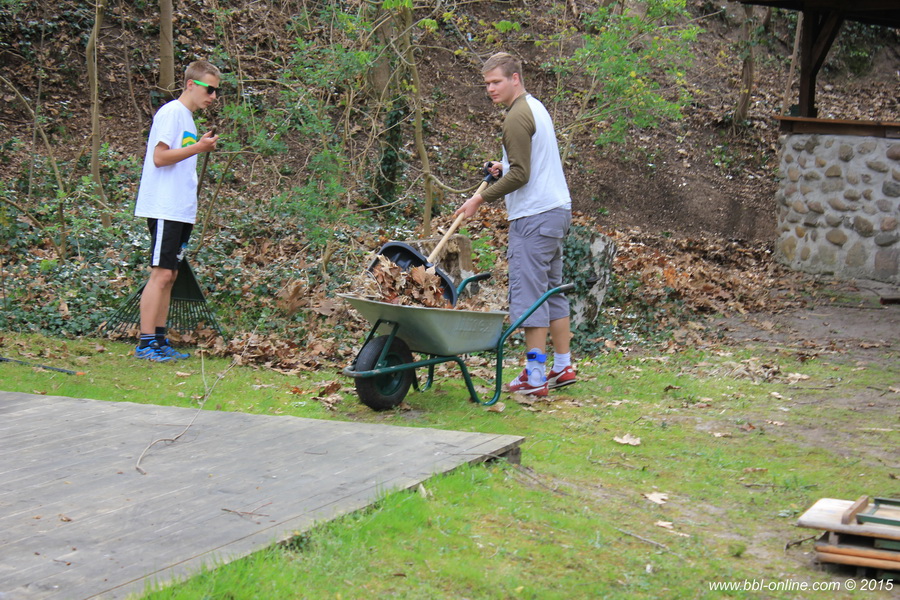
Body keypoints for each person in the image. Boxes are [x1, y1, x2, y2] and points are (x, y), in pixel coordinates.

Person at [455, 52, 576, 396]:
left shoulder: (515, 118)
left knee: (531, 297)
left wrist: (480, 199)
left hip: (534, 218)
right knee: (551, 292)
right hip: (556, 211)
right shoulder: (535, 107)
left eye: (496, 82)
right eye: (487, 84)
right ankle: (562, 366)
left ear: (515, 79)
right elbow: (526, 162)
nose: (491, 89)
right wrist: (502, 167)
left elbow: (522, 175)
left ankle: (535, 376)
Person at [133, 60, 221, 361]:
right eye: (209, 89)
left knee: (170, 275)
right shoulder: (172, 112)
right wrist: (198, 148)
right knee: (160, 274)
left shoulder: (188, 119)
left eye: (216, 91)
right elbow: (159, 158)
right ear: (191, 84)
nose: (213, 96)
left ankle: (159, 340)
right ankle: (146, 344)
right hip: (164, 206)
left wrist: (197, 146)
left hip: (180, 210)